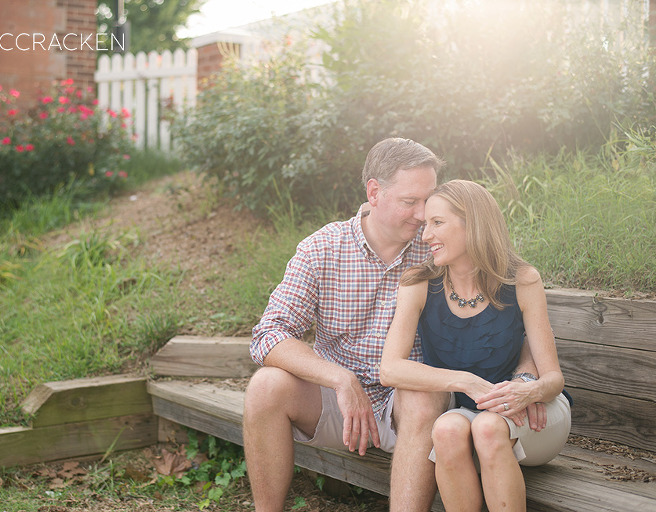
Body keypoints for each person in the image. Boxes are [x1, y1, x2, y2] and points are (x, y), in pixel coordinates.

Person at [244, 139, 542, 512]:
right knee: (265, 386)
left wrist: (526, 380)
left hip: (411, 407)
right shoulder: (322, 249)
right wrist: (340, 379)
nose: (422, 215)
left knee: (422, 394)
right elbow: (269, 334)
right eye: (409, 202)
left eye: (428, 201)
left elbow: (508, 314)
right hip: (338, 404)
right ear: (374, 192)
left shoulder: (437, 244)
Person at [380, 179, 572, 512]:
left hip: (535, 419)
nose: (425, 236)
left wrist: (528, 391)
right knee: (446, 428)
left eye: (437, 223)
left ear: (474, 224)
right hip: (468, 410)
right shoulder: (419, 283)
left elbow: (553, 379)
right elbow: (390, 369)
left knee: (486, 427)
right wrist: (463, 381)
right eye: (425, 225)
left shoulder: (523, 280)